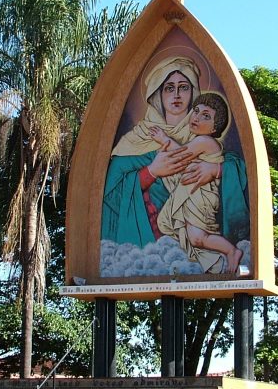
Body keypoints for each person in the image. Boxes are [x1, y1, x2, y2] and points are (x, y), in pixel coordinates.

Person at [100, 56, 250, 274]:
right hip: (149, 246)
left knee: (196, 236)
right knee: (186, 233)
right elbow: (110, 189)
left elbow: (239, 169)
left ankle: (223, 256)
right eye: (169, 88)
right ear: (157, 94)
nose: (177, 95)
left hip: (198, 210)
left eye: (184, 87)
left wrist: (216, 170)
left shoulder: (202, 136)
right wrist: (151, 172)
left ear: (193, 93)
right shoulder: (136, 139)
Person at [148, 92, 244, 274]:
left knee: (198, 237)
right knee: (194, 238)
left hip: (200, 196)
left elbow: (181, 156)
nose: (197, 117)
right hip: (192, 194)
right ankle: (219, 256)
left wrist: (165, 140)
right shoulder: (198, 140)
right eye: (196, 111)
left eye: (206, 116)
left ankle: (231, 250)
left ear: (215, 127)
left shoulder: (205, 141)